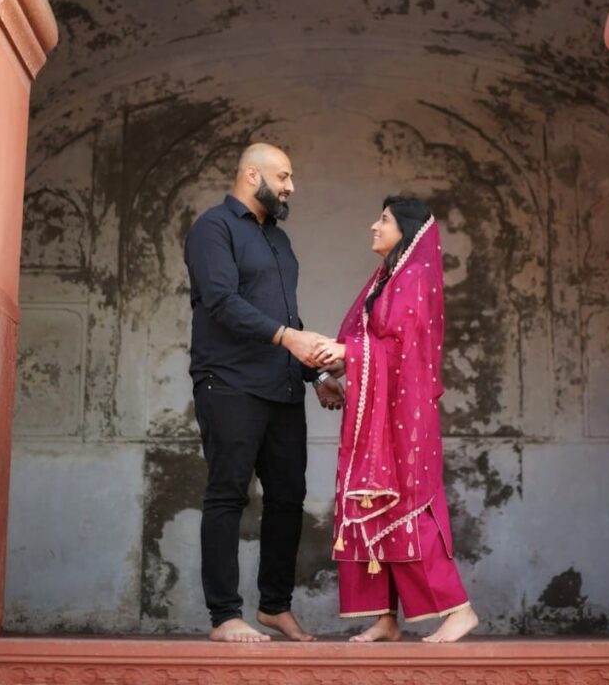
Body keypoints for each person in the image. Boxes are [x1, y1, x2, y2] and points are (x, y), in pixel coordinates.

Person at [184, 142, 344, 643]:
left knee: (288, 498)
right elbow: (221, 301)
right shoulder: (213, 228)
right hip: (229, 382)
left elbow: (286, 317)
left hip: (282, 388)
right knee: (227, 494)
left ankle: (275, 607)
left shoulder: (278, 239)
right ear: (252, 175)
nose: (291, 187)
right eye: (284, 176)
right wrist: (288, 338)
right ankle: (224, 616)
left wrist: (315, 377)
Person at [316, 196, 479, 643]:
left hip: (406, 415)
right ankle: (385, 618)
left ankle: (459, 609)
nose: (374, 226)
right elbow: (369, 342)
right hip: (376, 413)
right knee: (369, 503)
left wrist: (348, 353)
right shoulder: (386, 280)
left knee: (408, 504)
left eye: (384, 220)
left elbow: (403, 350)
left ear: (406, 231)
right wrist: (330, 368)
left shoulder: (414, 279)